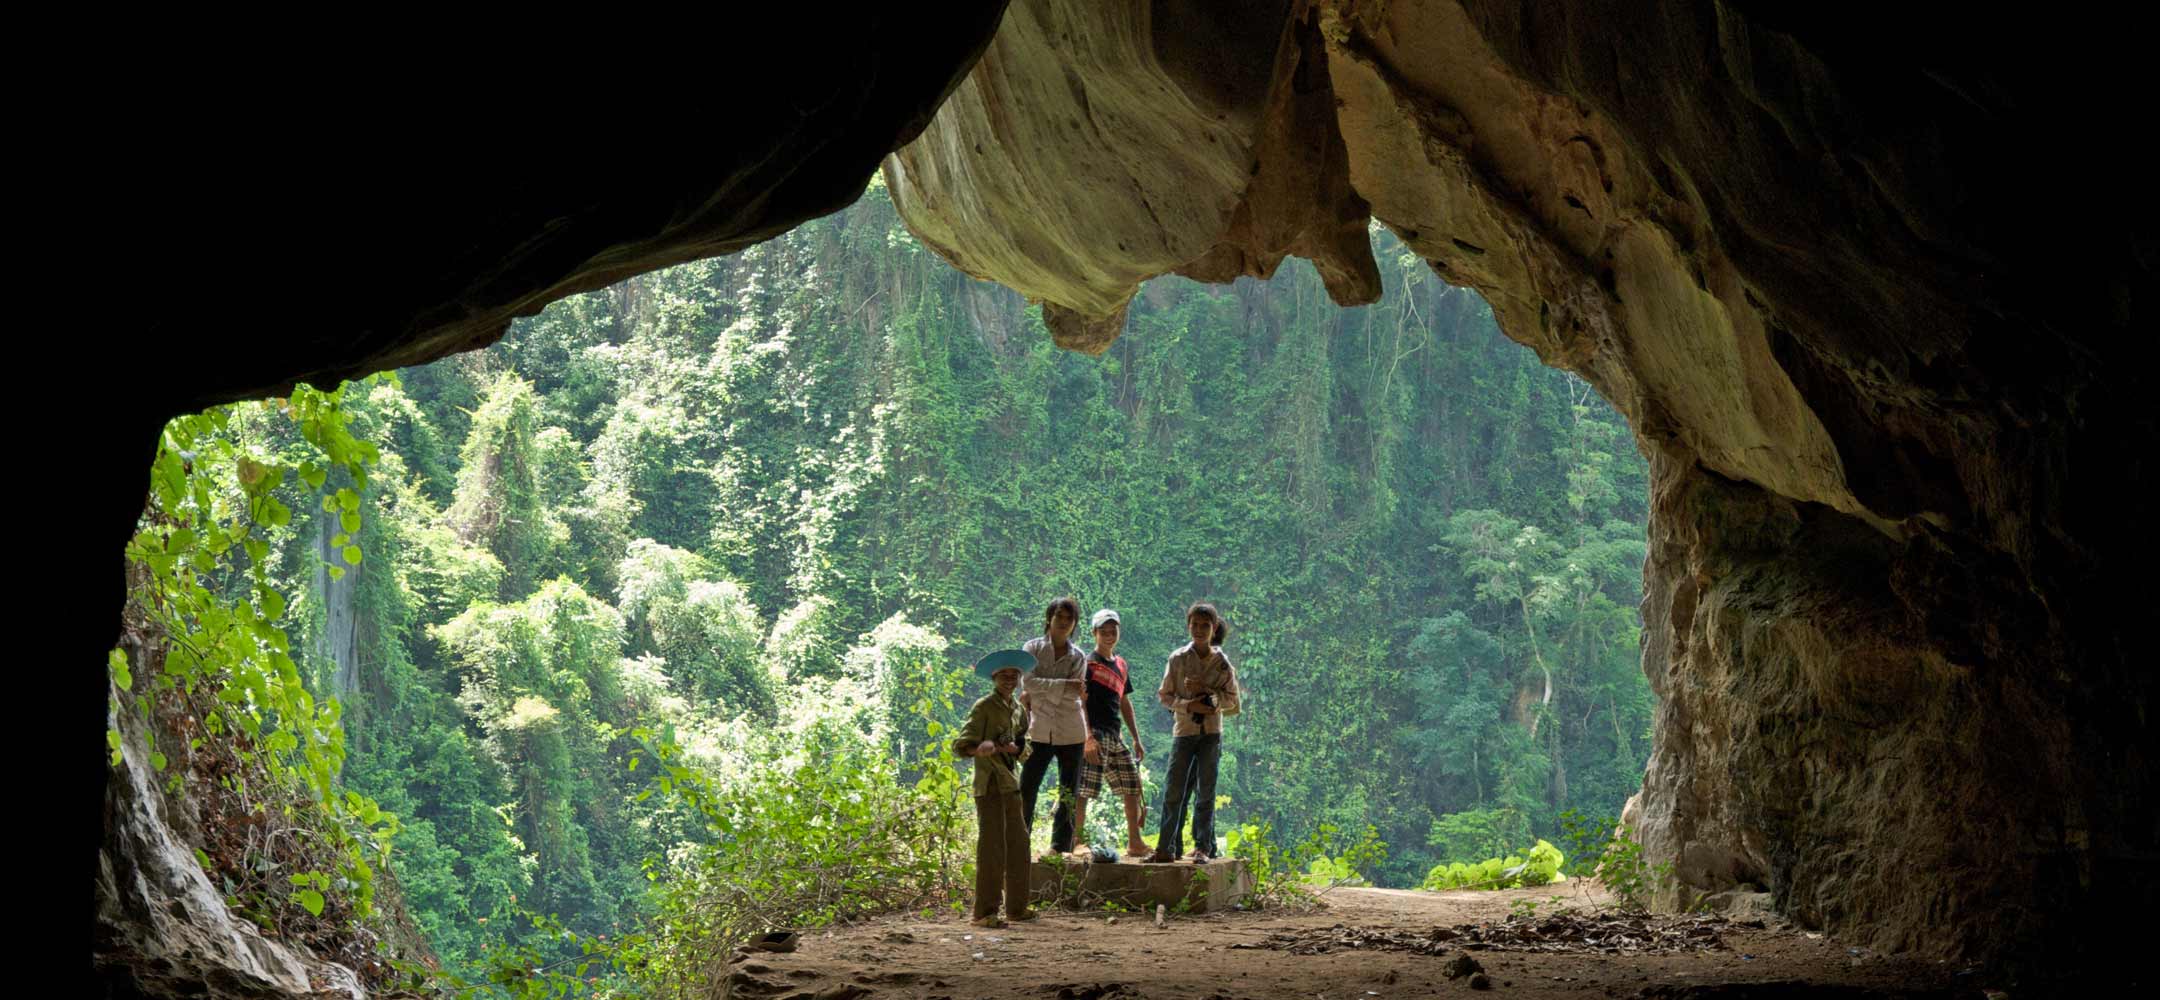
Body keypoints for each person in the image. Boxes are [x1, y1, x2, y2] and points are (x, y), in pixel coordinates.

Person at [1146, 601, 1241, 864]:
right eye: (1195, 625)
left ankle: (1202, 848)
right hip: (1184, 731)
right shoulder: (1177, 659)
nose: (1199, 630)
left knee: (1205, 791)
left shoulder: (1222, 663)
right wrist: (1189, 704)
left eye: (1205, 626)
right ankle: (1165, 847)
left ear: (1214, 629)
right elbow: (1164, 695)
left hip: (1211, 733)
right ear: (1188, 626)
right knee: (1174, 790)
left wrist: (1207, 692)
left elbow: (1232, 699)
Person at [955, 649, 1038, 927]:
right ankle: (984, 913)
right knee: (992, 848)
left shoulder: (1017, 708)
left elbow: (1025, 744)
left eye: (1014, 675)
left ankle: (1017, 908)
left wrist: (1015, 750)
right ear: (994, 677)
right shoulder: (983, 707)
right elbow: (960, 744)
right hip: (989, 784)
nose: (1009, 680)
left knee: (1019, 844)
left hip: (1010, 782)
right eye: (1004, 675)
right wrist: (979, 748)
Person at [1073, 608, 1151, 857]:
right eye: (1103, 631)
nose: (1109, 635)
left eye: (1113, 630)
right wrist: (1087, 738)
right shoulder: (1087, 665)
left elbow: (1125, 703)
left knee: (1132, 785)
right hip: (1094, 734)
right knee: (1084, 789)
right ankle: (1077, 840)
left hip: (1115, 735)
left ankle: (1134, 842)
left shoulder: (1121, 665)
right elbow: (1079, 702)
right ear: (1094, 633)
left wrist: (1136, 739)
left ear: (1119, 632)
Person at [1018, 597, 1090, 858]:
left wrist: (1045, 688)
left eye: (1069, 619)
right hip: (1039, 729)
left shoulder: (1078, 656)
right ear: (1049, 618)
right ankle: (1019, 841)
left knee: (1068, 791)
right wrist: (1062, 686)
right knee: (1027, 787)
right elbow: (1027, 684)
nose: (1063, 622)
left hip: (1072, 730)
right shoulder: (1032, 648)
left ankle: (1059, 847)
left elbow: (1073, 694)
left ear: (1074, 624)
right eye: (1059, 616)